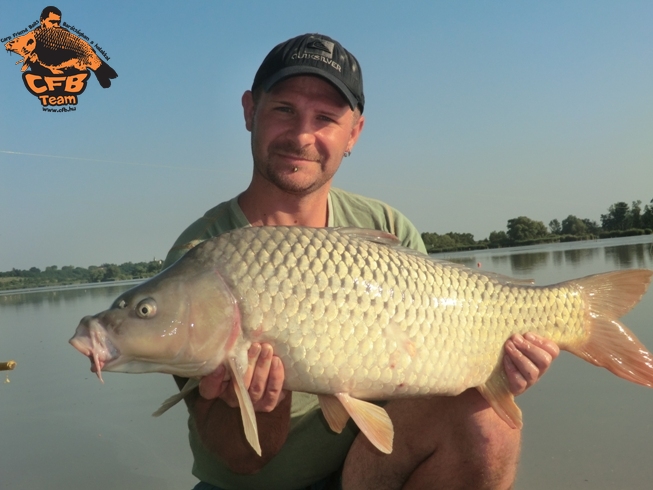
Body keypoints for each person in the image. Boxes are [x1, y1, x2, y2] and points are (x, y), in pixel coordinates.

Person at [163, 33, 559, 490]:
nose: (301, 135)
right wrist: (257, 403)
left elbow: (429, 382)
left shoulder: (387, 228)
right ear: (251, 110)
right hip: (252, 483)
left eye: (326, 118)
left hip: (366, 469)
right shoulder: (201, 258)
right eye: (284, 109)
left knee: (489, 421)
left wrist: (497, 369)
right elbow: (242, 460)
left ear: (354, 133)